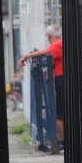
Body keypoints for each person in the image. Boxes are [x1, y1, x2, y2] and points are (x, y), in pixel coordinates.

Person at [19, 25, 64, 154]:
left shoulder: (59, 43)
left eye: (47, 37)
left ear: (50, 36)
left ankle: (62, 142)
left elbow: (44, 52)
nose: (48, 39)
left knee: (59, 114)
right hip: (59, 79)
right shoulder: (60, 44)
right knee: (59, 112)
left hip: (61, 80)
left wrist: (27, 56)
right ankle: (61, 141)